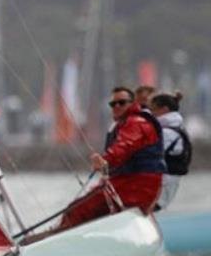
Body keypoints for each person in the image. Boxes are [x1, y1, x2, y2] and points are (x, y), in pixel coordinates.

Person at [57, 86, 165, 230]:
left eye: (122, 102)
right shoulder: (126, 123)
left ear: (132, 103)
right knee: (79, 210)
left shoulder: (136, 123)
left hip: (134, 188)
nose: (116, 106)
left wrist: (105, 160)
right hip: (130, 186)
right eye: (113, 104)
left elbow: (124, 145)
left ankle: (59, 242)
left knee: (75, 212)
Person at [151, 91, 191, 210]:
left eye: (154, 110)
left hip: (164, 184)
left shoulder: (168, 133)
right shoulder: (175, 127)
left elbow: (149, 153)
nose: (152, 113)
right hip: (165, 183)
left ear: (164, 109)